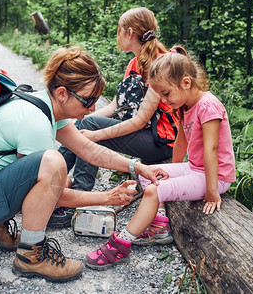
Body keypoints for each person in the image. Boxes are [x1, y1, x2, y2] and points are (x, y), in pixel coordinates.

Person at [0, 46, 168, 282]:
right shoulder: (35, 121)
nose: (92, 109)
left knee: (59, 175)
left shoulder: (42, 105)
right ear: (62, 93)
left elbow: (88, 149)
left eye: (96, 100)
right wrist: (107, 198)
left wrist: (135, 166)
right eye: (88, 100)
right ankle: (31, 255)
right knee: (53, 162)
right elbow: (52, 197)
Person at [85, 46, 236, 270]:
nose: (164, 99)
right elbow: (181, 142)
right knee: (149, 174)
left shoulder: (209, 106)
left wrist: (212, 193)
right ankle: (159, 223)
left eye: (166, 93)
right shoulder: (185, 105)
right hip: (195, 169)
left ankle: (122, 243)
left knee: (155, 190)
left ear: (186, 82)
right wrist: (173, 173)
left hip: (216, 177)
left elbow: (211, 150)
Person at [53, 7, 177, 229]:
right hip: (142, 132)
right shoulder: (134, 63)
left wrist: (94, 133)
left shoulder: (161, 64)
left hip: (160, 141)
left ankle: (77, 197)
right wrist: (79, 119)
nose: (117, 35)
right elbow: (115, 106)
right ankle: (56, 181)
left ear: (129, 32)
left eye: (119, 30)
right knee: (83, 122)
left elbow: (140, 120)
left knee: (89, 126)